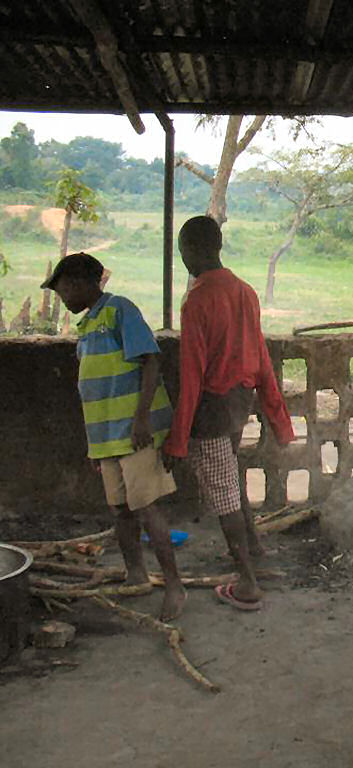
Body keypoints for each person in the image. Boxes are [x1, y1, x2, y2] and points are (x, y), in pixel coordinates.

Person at [163, 215, 295, 611]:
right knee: (230, 479)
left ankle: (248, 582)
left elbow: (191, 376)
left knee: (223, 494)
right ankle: (253, 550)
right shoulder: (245, 291)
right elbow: (261, 356)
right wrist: (278, 417)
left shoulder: (198, 300)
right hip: (240, 401)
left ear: (189, 251)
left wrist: (177, 440)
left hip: (212, 409)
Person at [45, 252, 186, 621]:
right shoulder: (87, 327)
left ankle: (175, 586)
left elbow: (151, 361)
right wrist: (96, 446)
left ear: (78, 284)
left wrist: (142, 419)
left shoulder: (119, 310)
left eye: (62, 293)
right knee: (120, 510)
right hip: (106, 437)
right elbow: (94, 389)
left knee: (146, 506)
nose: (63, 301)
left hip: (134, 433)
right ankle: (135, 573)